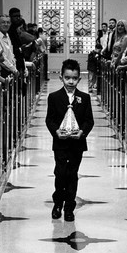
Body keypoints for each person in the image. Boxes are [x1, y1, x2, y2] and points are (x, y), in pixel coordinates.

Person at [45, 58, 95, 221]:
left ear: (79, 79)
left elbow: (89, 120)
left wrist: (82, 132)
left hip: (76, 143)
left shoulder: (84, 98)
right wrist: (56, 132)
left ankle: (69, 207)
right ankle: (57, 202)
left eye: (74, 78)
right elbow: (49, 120)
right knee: (60, 173)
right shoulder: (54, 97)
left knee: (72, 174)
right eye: (67, 78)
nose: (71, 81)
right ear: (61, 78)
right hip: (60, 142)